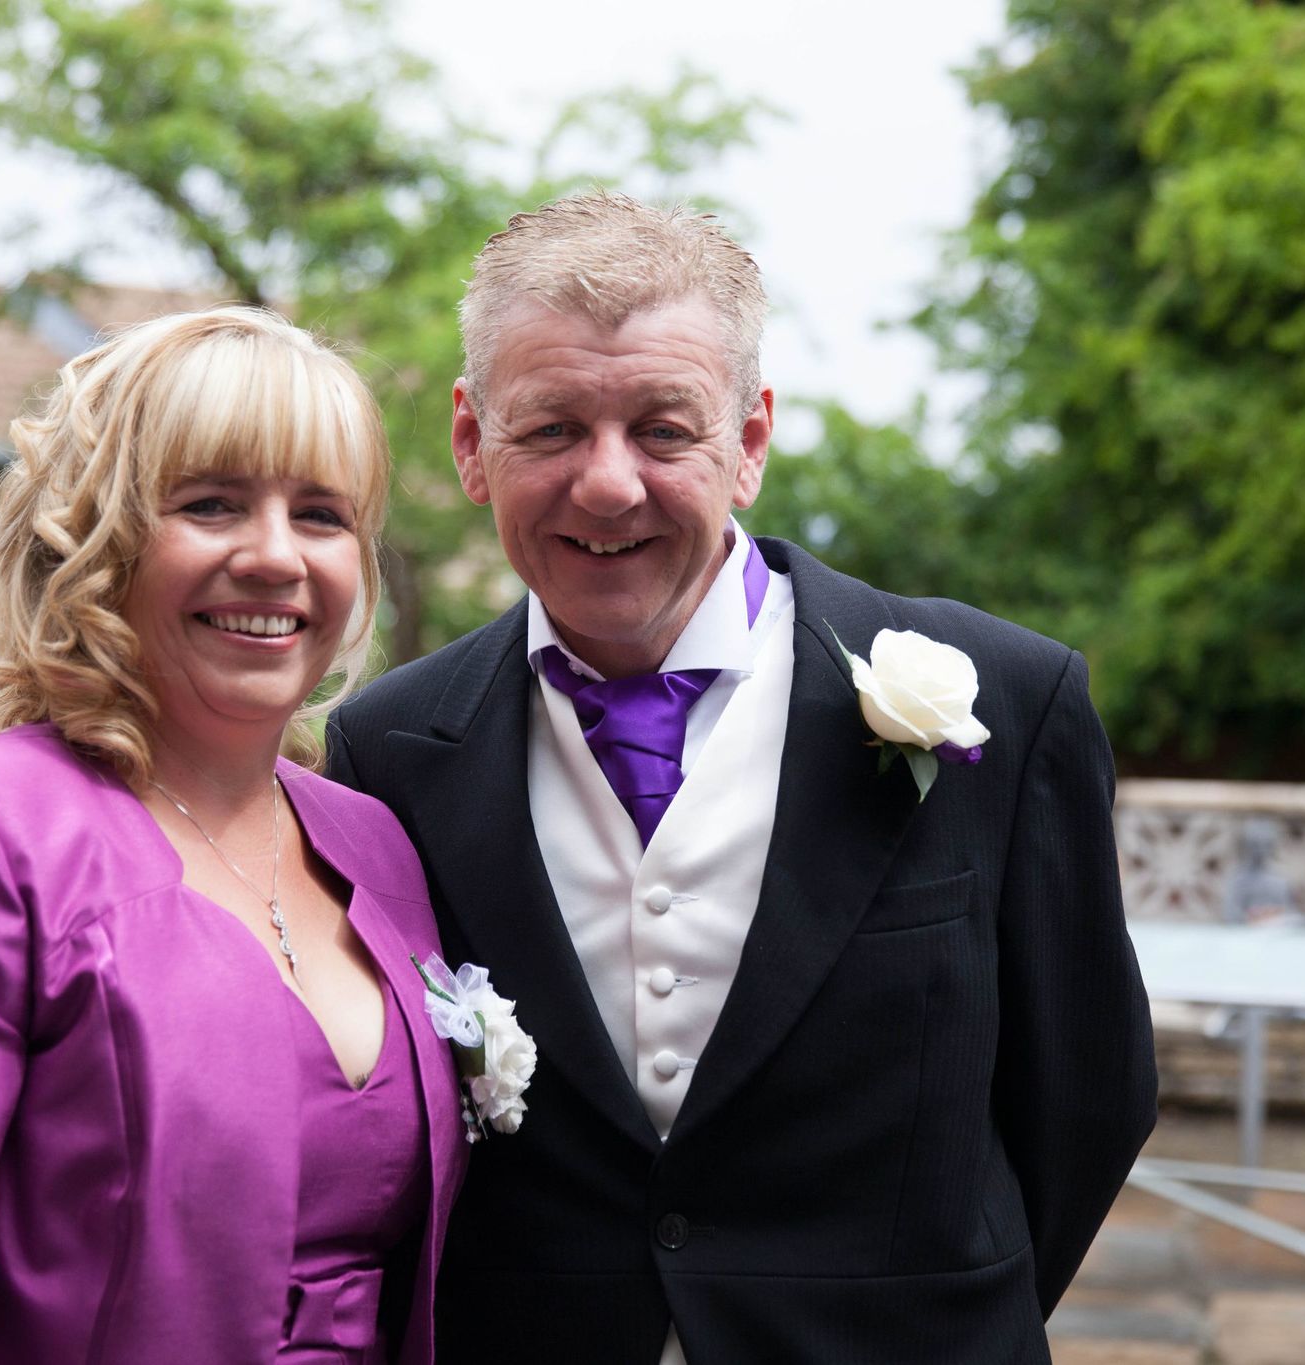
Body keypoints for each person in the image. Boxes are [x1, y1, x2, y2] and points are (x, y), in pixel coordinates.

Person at [326, 193, 1157, 1363]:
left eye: (662, 431)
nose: (606, 484)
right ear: (470, 442)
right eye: (551, 429)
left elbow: (1087, 1097)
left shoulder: (1009, 702)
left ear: (749, 441)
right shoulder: (387, 750)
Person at [0, 306, 470, 1364]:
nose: (275, 556)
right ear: (95, 535)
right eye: (211, 504)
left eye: (320, 515)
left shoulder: (374, 845)